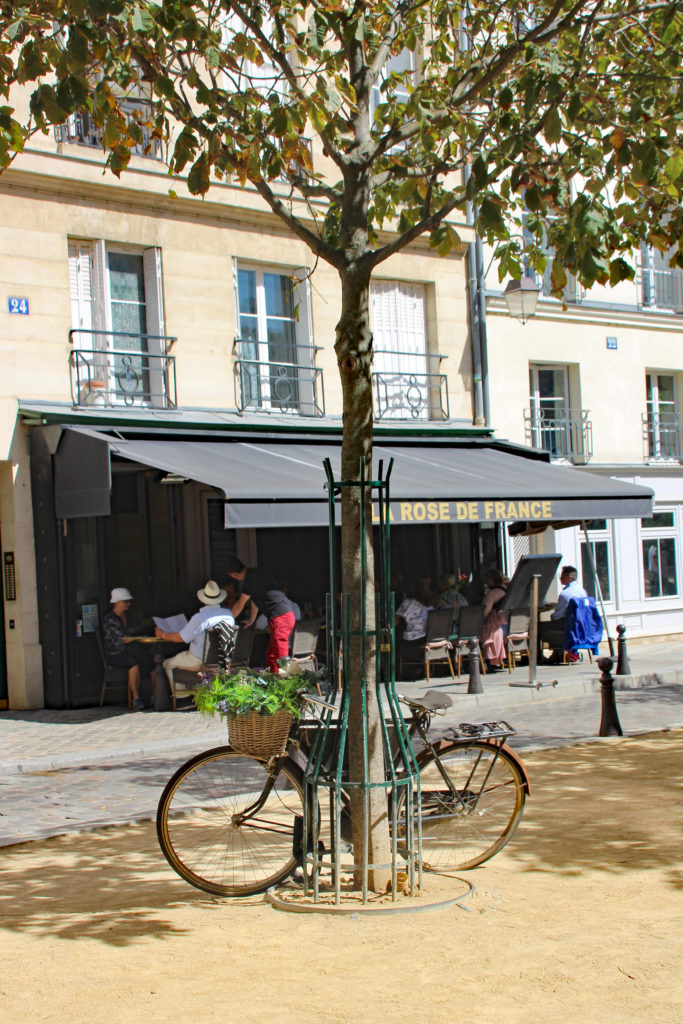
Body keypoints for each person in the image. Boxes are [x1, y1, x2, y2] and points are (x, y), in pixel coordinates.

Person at [156, 580, 235, 691]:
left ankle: (183, 695)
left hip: (199, 661)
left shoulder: (200, 617)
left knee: (168, 664)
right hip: (222, 660)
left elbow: (180, 638)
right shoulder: (228, 615)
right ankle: (195, 692)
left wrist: (162, 635)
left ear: (203, 599)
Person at [227, 560, 295, 672]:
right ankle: (275, 679)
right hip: (283, 615)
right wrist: (251, 619)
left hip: (280, 617)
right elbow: (256, 599)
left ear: (233, 574)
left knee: (281, 655)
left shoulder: (250, 579)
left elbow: (240, 604)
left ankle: (287, 680)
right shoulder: (257, 573)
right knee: (271, 655)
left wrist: (227, 620)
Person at [102, 587, 145, 711]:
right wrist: (135, 637)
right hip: (114, 654)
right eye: (126, 601)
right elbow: (119, 640)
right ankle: (136, 698)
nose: (128, 604)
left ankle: (153, 697)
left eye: (128, 601)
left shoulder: (129, 616)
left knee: (147, 660)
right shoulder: (110, 619)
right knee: (133, 663)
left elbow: (135, 630)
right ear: (117, 602)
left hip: (129, 650)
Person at [540, 565, 587, 663]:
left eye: (562, 576)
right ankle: (559, 653)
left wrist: (552, 615)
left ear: (568, 578)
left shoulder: (565, 594)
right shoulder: (582, 591)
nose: (560, 578)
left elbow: (558, 615)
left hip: (567, 626)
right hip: (580, 625)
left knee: (537, 628)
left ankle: (540, 656)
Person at [396, 577, 434, 676]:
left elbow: (396, 620)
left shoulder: (409, 602)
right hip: (428, 637)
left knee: (395, 639)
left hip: (414, 639)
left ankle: (398, 671)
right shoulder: (431, 603)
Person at [479, 569, 509, 671]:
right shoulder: (506, 591)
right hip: (506, 626)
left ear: (492, 579)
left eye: (487, 579)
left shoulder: (492, 593)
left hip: (496, 627)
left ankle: (484, 660)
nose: (486, 582)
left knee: (474, 632)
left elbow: (484, 612)